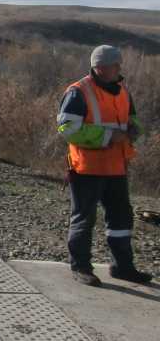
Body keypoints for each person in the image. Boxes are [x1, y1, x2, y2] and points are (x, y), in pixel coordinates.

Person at [56, 45, 152, 286]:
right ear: (99, 67)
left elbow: (134, 120)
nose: (120, 68)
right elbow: (67, 130)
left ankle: (122, 267)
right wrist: (108, 136)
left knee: (121, 219)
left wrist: (134, 130)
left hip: (117, 167)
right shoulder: (78, 92)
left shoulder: (122, 91)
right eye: (115, 64)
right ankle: (81, 267)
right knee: (84, 219)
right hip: (87, 168)